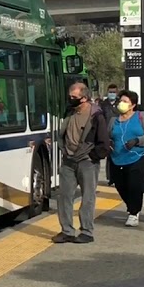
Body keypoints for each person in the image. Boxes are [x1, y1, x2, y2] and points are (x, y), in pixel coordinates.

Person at [52, 82, 110, 244]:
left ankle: (86, 231)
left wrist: (93, 156)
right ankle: (67, 231)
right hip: (68, 161)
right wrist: (63, 150)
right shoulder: (70, 112)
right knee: (64, 196)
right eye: (70, 96)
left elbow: (104, 142)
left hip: (87, 162)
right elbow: (64, 134)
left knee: (88, 197)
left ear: (84, 98)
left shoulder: (96, 115)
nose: (70, 99)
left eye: (74, 97)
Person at [107, 89, 144, 226]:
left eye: (125, 101)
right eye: (120, 101)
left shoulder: (141, 116)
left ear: (133, 105)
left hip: (138, 157)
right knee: (121, 185)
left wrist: (137, 141)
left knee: (135, 185)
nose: (121, 103)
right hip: (117, 158)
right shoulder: (113, 121)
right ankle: (132, 206)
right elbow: (107, 136)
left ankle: (134, 213)